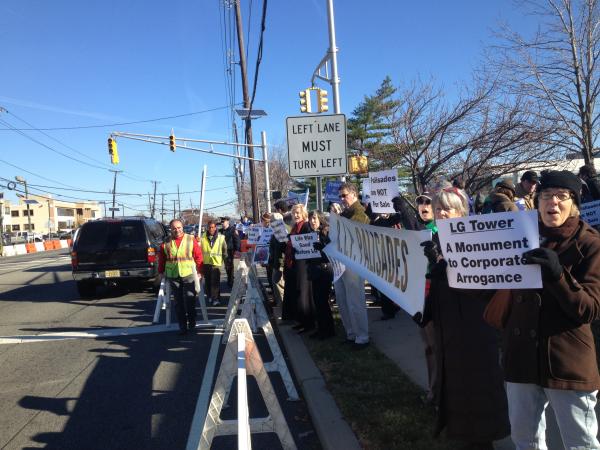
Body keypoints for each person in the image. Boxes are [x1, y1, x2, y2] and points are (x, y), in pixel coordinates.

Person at [498, 170, 600, 450]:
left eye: (561, 196)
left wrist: (558, 274)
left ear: (574, 204)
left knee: (580, 444)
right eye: (545, 195)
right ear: (536, 200)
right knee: (525, 441)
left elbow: (590, 309)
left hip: (566, 361)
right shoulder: (518, 236)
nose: (552, 202)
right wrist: (451, 269)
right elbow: (492, 289)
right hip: (521, 358)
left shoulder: (590, 244)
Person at [419, 186, 510, 448]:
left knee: (479, 397)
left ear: (462, 212)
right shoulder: (436, 243)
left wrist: (448, 274)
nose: (442, 213)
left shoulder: (479, 241)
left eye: (448, 208)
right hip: (450, 332)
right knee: (458, 395)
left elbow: (487, 290)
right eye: (438, 209)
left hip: (475, 332)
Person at [336, 182, 371, 349]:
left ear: (354, 194)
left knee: (355, 300)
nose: (342, 199)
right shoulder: (345, 213)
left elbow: (354, 232)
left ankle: (362, 336)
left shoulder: (359, 212)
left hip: (354, 261)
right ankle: (351, 333)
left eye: (345, 195)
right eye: (340, 196)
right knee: (342, 299)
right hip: (340, 261)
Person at [414, 192, 439, 405]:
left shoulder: (441, 229)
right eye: (419, 202)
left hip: (436, 291)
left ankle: (438, 392)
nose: (423, 205)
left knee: (436, 345)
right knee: (427, 346)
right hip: (419, 291)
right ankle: (433, 388)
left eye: (427, 202)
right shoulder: (417, 229)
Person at [158, 219, 204, 335]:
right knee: (178, 302)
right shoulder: (166, 242)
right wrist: (161, 272)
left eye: (179, 227)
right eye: (174, 228)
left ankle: (192, 321)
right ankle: (182, 326)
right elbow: (162, 259)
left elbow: (198, 256)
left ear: (182, 227)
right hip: (173, 275)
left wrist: (200, 272)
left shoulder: (190, 239)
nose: (177, 230)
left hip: (188, 273)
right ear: (171, 229)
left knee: (190, 299)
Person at [283, 204, 314, 331]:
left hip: (303, 265)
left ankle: (308, 323)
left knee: (303, 294)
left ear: (303, 214)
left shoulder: (306, 226)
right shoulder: (294, 227)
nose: (295, 215)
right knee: (296, 293)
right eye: (294, 213)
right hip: (293, 264)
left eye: (298, 213)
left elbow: (308, 244)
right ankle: (300, 320)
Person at [307, 210, 335, 339]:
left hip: (325, 270)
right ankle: (321, 328)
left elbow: (331, 254)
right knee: (317, 301)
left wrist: (321, 248)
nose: (312, 221)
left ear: (320, 219)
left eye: (314, 218)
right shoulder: (310, 233)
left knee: (323, 301)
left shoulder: (326, 232)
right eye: (310, 218)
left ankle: (328, 330)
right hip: (314, 270)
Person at [200, 220, 227, 306]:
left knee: (215, 282)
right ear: (207, 228)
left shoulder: (221, 237)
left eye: (213, 227)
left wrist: (223, 260)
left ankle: (216, 299)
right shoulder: (202, 238)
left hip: (216, 264)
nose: (211, 229)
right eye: (210, 227)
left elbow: (224, 250)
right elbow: (199, 250)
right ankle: (210, 296)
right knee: (207, 282)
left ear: (215, 228)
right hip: (206, 263)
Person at [268, 212, 286, 308]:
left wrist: (281, 265)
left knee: (279, 285)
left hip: (280, 264)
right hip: (275, 263)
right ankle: (281, 306)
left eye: (273, 221)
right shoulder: (275, 233)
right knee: (276, 285)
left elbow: (283, 250)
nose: (271, 223)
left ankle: (283, 307)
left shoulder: (283, 232)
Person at [221, 217, 240, 287]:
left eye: (224, 222)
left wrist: (237, 250)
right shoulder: (220, 231)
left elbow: (237, 240)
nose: (222, 223)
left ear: (227, 222)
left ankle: (230, 280)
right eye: (222, 222)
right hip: (222, 251)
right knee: (226, 267)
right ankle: (230, 278)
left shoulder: (233, 230)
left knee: (229, 266)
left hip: (229, 250)